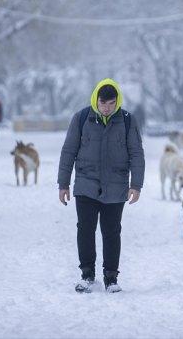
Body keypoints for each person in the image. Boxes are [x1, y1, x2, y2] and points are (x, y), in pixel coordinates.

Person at [58, 78, 145, 293]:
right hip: (86, 184)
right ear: (96, 100)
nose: (107, 108)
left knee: (111, 232)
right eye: (103, 103)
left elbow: (136, 153)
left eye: (111, 103)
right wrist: (63, 184)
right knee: (85, 230)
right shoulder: (81, 119)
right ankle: (87, 275)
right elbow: (68, 151)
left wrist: (136, 185)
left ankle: (111, 278)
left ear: (117, 102)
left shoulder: (126, 121)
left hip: (116, 186)